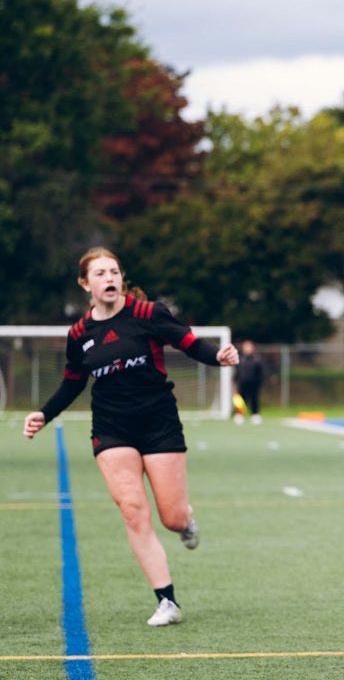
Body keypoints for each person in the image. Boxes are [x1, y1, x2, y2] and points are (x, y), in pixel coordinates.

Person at [22, 247, 239, 627]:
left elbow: (190, 343)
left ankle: (186, 521)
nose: (109, 278)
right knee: (133, 511)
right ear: (85, 283)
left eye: (114, 271)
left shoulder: (148, 314)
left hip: (159, 424)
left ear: (122, 278)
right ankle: (167, 601)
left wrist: (217, 357)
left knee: (170, 518)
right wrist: (44, 413)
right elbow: (74, 382)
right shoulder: (79, 334)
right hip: (111, 429)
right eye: (101, 273)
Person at [234, 340, 265, 424]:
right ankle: (239, 414)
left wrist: (260, 382)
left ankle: (255, 414)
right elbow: (237, 372)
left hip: (254, 383)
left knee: (254, 399)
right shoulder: (240, 359)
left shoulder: (257, 360)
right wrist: (235, 381)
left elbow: (261, 372)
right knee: (240, 400)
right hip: (242, 383)